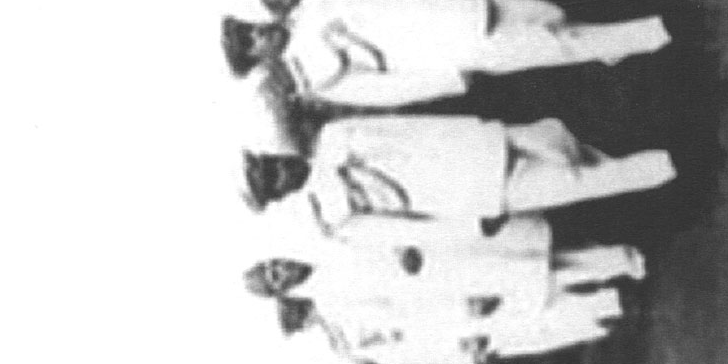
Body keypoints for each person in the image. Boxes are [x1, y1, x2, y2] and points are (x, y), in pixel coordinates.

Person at [244, 216, 645, 364]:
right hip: (441, 295)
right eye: (275, 277)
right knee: (533, 301)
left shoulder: (327, 244)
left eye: (274, 264)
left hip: (441, 255)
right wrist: (457, 311)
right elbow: (401, 316)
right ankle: (613, 300)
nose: (282, 268)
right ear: (283, 292)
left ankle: (621, 260)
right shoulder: (335, 306)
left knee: (538, 265)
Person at [220, 0, 670, 107]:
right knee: (554, 46)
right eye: (251, 43)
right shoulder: (316, 74)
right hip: (444, 53)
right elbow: (383, 92)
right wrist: (447, 80)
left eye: (251, 27)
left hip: (447, 11)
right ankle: (652, 34)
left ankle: (611, 47)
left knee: (547, 13)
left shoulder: (312, 6)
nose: (259, 33)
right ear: (259, 59)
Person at [242, 116, 676, 231]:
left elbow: (408, 127)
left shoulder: (333, 136)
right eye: (272, 179)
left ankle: (664, 142)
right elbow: (407, 227)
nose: (280, 168)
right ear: (280, 197)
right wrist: (466, 225)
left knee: (570, 149)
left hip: (472, 145)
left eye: (270, 161)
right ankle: (670, 165)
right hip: (466, 194)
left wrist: (478, 128)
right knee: (582, 183)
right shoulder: (333, 213)